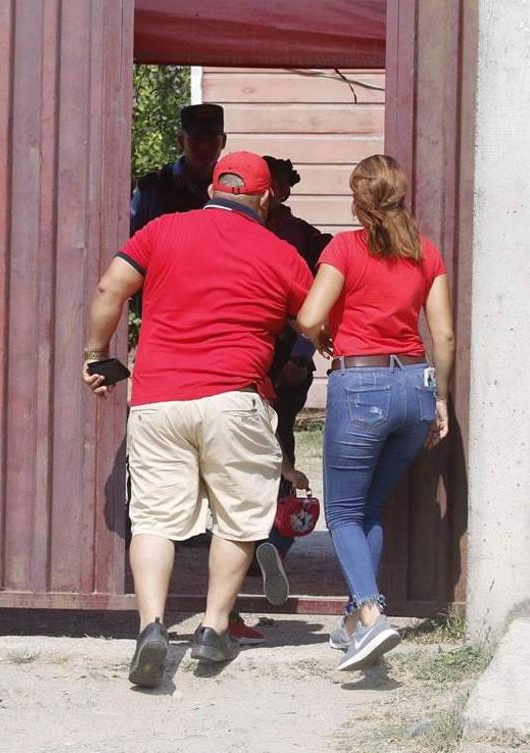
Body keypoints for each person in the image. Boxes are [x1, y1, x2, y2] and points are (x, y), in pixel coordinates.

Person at [84, 151, 314, 689]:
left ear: (214, 186)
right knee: (237, 518)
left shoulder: (161, 230)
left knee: (156, 519)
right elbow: (312, 320)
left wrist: (96, 355)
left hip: (159, 398)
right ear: (264, 197)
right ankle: (213, 628)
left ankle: (152, 628)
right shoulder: (281, 253)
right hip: (235, 399)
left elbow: (108, 290)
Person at [295, 154, 455, 673]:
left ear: (357, 201)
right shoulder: (426, 252)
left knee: (342, 512)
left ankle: (370, 616)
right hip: (415, 385)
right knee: (368, 510)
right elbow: (445, 335)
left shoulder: (345, 247)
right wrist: (442, 399)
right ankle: (351, 624)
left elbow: (309, 317)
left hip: (361, 382)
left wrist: (322, 333)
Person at [242, 158, 332, 619]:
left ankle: (273, 539)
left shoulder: (301, 237)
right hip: (246, 348)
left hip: (284, 355)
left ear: (284, 191)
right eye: (265, 185)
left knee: (278, 439)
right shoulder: (238, 229)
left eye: (277, 186)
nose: (269, 193)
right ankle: (255, 539)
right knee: (242, 440)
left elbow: (318, 295)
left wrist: (301, 354)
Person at [130, 103, 226, 236]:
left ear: (224, 142)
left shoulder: (230, 188)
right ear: (181, 141)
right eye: (196, 139)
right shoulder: (153, 188)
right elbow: (132, 241)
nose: (204, 147)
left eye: (212, 139)